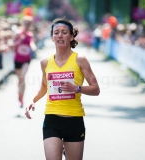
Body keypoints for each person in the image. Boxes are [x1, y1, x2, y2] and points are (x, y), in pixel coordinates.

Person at [25, 17, 100, 160]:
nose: (60, 35)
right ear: (52, 37)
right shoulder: (45, 62)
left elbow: (96, 89)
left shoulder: (80, 60)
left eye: (64, 32)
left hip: (74, 119)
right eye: (56, 32)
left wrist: (77, 88)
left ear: (71, 36)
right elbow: (44, 86)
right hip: (52, 119)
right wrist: (32, 100)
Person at [13, 16, 36, 108]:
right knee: (20, 80)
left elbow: (32, 43)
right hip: (17, 59)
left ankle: (22, 98)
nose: (27, 25)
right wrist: (20, 40)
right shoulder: (18, 33)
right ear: (23, 23)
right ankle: (19, 94)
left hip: (26, 59)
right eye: (25, 23)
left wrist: (33, 47)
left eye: (29, 23)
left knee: (22, 77)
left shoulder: (30, 35)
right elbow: (12, 44)